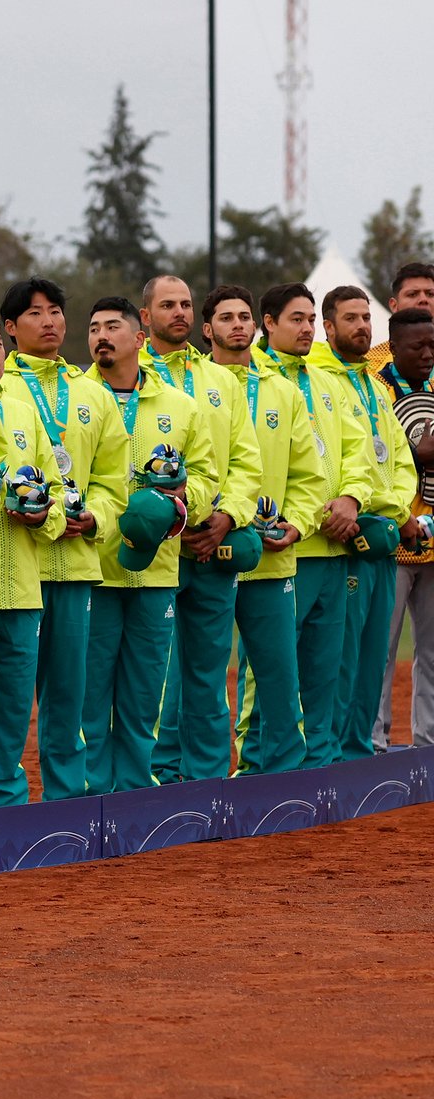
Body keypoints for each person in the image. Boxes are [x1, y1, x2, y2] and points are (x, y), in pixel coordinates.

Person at [80, 295, 216, 795]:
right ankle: (92, 793)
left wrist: (184, 502)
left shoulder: (180, 406)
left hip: (156, 569)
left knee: (143, 693)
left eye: (112, 326)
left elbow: (206, 475)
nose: (100, 336)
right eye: (94, 327)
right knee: (89, 693)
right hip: (91, 567)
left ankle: (136, 790)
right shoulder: (74, 398)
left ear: (139, 339)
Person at [0, 277, 123, 800]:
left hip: (74, 563)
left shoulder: (91, 392)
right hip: (13, 566)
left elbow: (117, 480)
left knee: (70, 692)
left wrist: (93, 517)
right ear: (9, 328)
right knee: (2, 694)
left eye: (55, 311)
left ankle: (66, 798)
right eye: (34, 313)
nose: (49, 321)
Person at [140, 275, 262, 784]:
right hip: (155, 552)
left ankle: (210, 783)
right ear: (145, 316)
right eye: (167, 305)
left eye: (186, 304)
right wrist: (168, 519)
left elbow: (245, 463)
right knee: (149, 678)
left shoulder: (221, 381)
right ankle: (155, 778)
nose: (180, 313)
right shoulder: (129, 375)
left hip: (212, 549)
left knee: (209, 676)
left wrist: (226, 519)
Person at [254, 283, 371, 769]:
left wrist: (350, 497)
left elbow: (358, 451)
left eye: (309, 320)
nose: (306, 329)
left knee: (326, 670)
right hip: (282, 550)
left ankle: (317, 769)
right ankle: (261, 765)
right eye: (296, 319)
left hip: (335, 548)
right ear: (269, 323)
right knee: (274, 672)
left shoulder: (329, 381)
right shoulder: (250, 379)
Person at [204, 285, 320, 775]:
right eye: (226, 317)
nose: (237, 324)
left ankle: (279, 775)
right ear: (207, 328)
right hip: (205, 551)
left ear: (257, 326)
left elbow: (308, 473)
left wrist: (296, 524)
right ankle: (196, 776)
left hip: (272, 556)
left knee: (277, 674)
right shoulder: (191, 385)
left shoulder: (282, 391)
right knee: (201, 675)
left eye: (244, 317)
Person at [0, 306, 65, 806]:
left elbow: (57, 487)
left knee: (11, 707)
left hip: (23, 588)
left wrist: (45, 515)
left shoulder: (25, 411)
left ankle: (2, 802)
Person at [308, 286, 416, 761]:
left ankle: (358, 750)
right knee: (340, 656)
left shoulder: (374, 385)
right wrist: (359, 508)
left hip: (378, 538)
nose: (362, 326)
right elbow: (333, 457)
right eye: (350, 318)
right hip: (345, 537)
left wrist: (391, 512)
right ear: (327, 327)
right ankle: (330, 751)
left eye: (366, 317)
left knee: (373, 658)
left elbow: (399, 463)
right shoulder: (316, 379)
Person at [373, 307, 434, 749]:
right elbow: (368, 460)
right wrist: (418, 453)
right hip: (393, 541)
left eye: (433, 346)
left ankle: (428, 742)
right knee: (381, 650)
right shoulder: (375, 391)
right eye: (419, 347)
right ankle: (374, 744)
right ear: (394, 348)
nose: (428, 354)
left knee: (432, 652)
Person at [366, 262, 434, 373]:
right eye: (413, 294)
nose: (423, 299)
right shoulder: (371, 365)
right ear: (394, 305)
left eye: (430, 294)